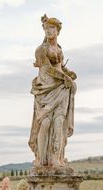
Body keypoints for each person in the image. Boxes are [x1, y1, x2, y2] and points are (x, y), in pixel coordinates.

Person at [28, 14, 77, 168]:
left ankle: (56, 158)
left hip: (61, 89)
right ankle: (42, 159)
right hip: (46, 90)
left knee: (59, 122)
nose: (48, 31)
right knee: (45, 123)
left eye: (52, 28)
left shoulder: (59, 49)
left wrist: (68, 73)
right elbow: (48, 69)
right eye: (46, 28)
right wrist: (65, 78)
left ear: (57, 30)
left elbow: (59, 66)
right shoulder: (40, 50)